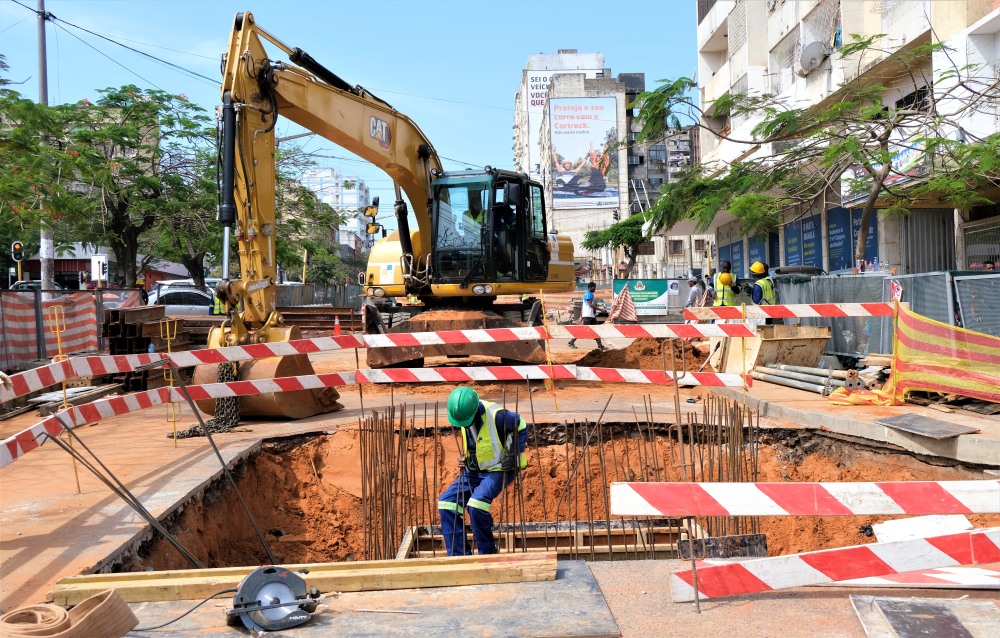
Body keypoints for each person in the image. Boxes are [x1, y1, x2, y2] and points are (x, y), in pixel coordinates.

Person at [438, 387, 528, 556]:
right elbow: (478, 442)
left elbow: (522, 425)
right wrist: (467, 457)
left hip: (501, 468)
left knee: (476, 505)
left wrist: (514, 451)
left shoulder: (497, 415)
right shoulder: (463, 417)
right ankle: (459, 557)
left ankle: (488, 552)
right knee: (446, 503)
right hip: (475, 469)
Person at [568, 282, 606, 351]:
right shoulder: (588, 294)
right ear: (590, 287)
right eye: (594, 287)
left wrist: (581, 315)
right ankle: (571, 342)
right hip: (587, 316)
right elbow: (590, 305)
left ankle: (600, 345)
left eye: (595, 287)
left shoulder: (591, 294)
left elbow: (584, 306)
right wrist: (601, 309)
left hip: (590, 316)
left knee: (596, 330)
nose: (595, 289)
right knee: (582, 330)